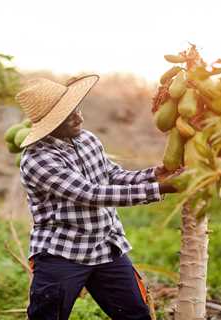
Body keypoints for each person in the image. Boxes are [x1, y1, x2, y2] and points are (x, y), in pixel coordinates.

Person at [15, 75, 178, 320]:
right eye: (69, 116)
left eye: (77, 109)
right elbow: (89, 194)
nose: (79, 117)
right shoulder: (38, 159)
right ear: (50, 123)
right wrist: (161, 189)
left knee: (136, 314)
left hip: (105, 247)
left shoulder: (87, 139)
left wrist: (154, 175)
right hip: (62, 253)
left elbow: (111, 175)